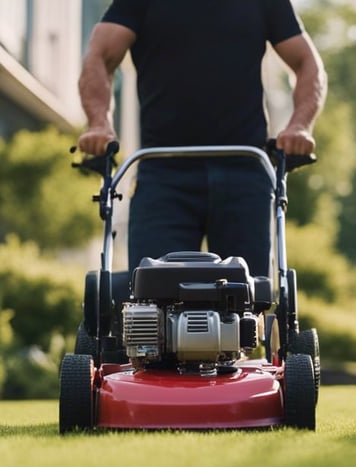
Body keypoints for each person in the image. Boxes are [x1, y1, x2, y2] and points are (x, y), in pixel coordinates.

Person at [77, 0, 327, 278]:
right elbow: (100, 54)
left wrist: (300, 126)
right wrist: (99, 123)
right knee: (151, 292)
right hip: (163, 176)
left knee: (251, 296)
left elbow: (307, 63)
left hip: (243, 172)